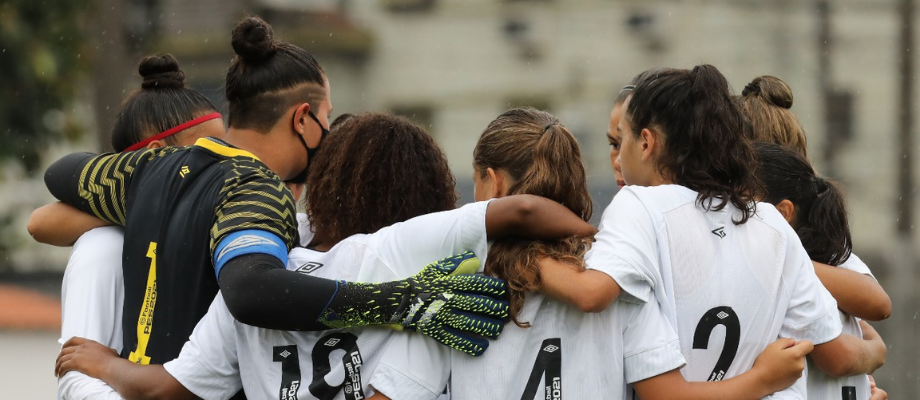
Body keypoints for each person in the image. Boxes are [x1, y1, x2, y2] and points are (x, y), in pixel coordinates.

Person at [38, 15, 508, 379]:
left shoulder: (156, 166)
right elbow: (251, 290)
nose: (330, 134)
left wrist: (162, 208)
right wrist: (401, 303)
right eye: (326, 118)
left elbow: (62, 173)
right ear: (302, 119)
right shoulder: (257, 188)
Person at [54, 112, 598, 400]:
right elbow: (520, 213)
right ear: (431, 193)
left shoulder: (259, 276)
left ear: (328, 182)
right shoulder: (410, 262)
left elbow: (167, 389)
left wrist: (103, 363)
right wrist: (589, 236)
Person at [368, 107, 811, 400]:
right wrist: (761, 380)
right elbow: (669, 393)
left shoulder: (454, 286)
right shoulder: (621, 279)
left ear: (494, 184)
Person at [544, 66, 884, 397]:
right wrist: (873, 351)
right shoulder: (772, 225)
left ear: (646, 142)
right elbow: (837, 352)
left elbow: (593, 296)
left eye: (622, 139)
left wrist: (522, 257)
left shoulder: (640, 208)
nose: (617, 157)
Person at [27, 53, 226, 400]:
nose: (222, 163)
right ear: (155, 153)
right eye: (207, 150)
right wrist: (157, 205)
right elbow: (39, 223)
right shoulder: (104, 246)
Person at [755, 142, 889, 400]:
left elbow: (878, 306)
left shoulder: (806, 264)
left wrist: (794, 264)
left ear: (783, 212)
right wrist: (876, 349)